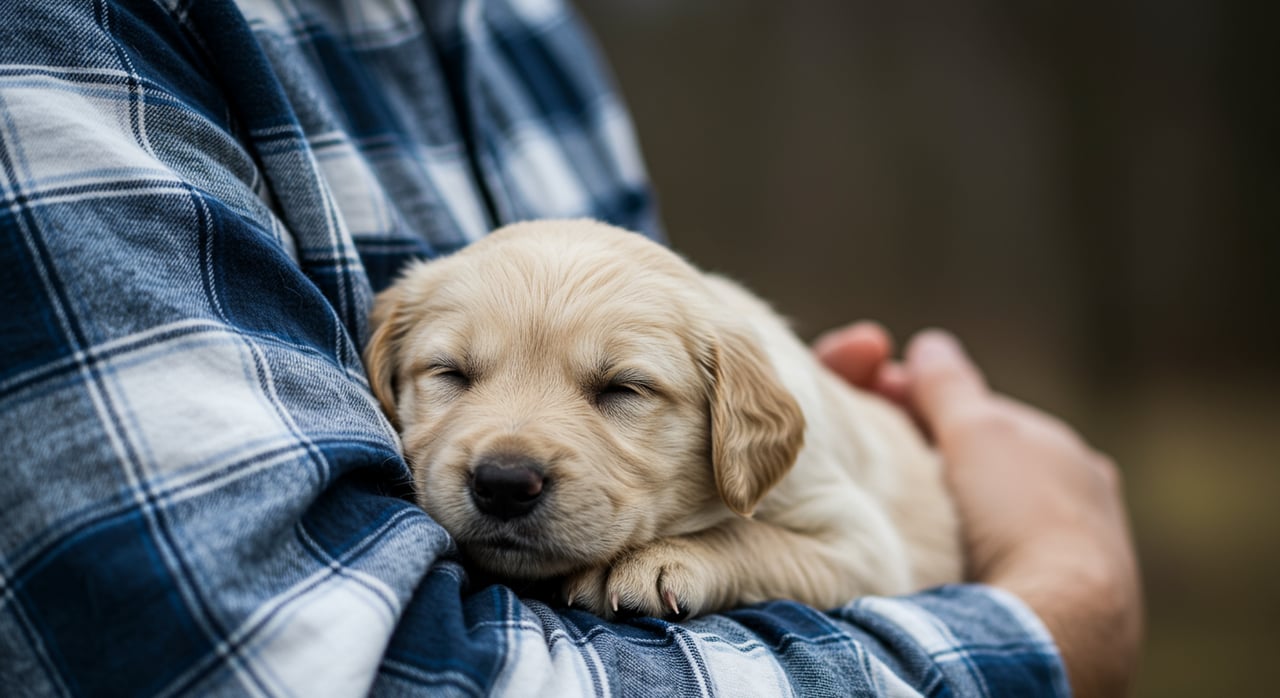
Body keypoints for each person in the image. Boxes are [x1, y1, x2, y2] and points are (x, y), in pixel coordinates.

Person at [0, 1, 1139, 695]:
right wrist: (1052, 613)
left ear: (739, 429)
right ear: (386, 360)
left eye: (615, 388)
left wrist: (722, 560)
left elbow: (855, 548)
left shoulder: (527, 27)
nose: (506, 455)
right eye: (452, 371)